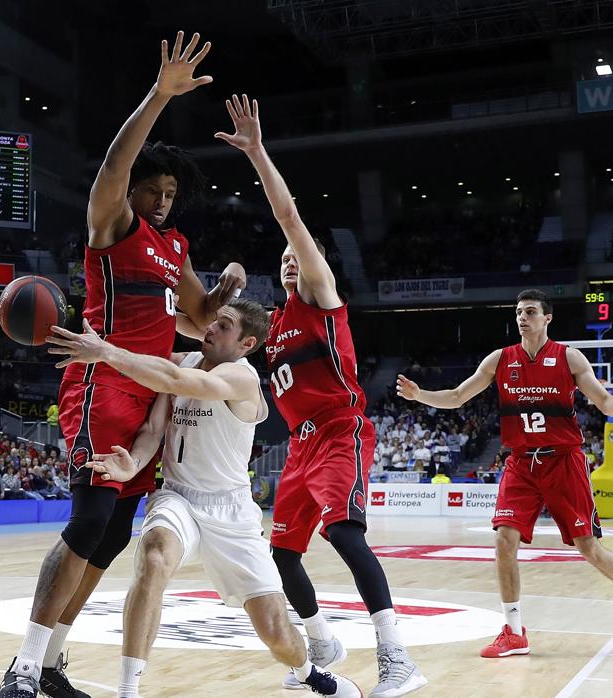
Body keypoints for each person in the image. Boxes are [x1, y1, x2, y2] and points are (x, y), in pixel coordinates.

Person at [0, 30, 246, 698]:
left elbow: (195, 320)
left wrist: (226, 290)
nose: (161, 200)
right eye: (152, 189)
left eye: (169, 192)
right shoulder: (113, 226)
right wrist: (159, 97)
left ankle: (50, 665)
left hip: (148, 400)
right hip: (102, 383)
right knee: (85, 522)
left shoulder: (173, 246)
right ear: (132, 191)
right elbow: (113, 164)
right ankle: (21, 668)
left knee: (106, 543)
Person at [215, 94, 426, 696]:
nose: (289, 262)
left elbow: (288, 219)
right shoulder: (273, 326)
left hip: (341, 430)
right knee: (281, 554)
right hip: (302, 446)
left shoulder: (322, 302)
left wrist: (257, 153)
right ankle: (322, 640)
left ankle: (396, 656)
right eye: (281, 260)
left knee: (343, 533)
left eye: (296, 258)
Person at [48, 300, 360, 697]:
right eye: (212, 322)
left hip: (231, 511)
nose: (210, 328)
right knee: (154, 554)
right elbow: (154, 427)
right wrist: (135, 463)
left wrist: (107, 351)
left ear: (247, 343)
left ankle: (308, 672)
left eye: (223, 326)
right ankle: (128, 690)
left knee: (276, 631)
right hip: (178, 496)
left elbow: (174, 381)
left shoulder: (242, 380)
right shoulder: (185, 360)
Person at [396, 288, 613, 658]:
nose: (522, 318)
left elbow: (608, 406)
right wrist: (420, 396)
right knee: (503, 540)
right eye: (518, 312)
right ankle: (514, 632)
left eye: (530, 311)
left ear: (547, 318)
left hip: (564, 460)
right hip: (521, 463)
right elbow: (456, 397)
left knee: (588, 548)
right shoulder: (500, 360)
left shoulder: (569, 358)